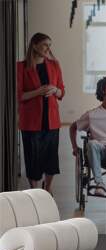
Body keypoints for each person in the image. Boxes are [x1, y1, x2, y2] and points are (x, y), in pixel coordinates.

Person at [17, 33, 65, 195]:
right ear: (35, 45)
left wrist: (55, 90)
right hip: (30, 121)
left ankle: (48, 187)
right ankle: (34, 191)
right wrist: (39, 91)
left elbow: (61, 92)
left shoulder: (54, 65)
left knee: (51, 157)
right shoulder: (21, 67)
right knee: (32, 157)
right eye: (45, 45)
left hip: (51, 119)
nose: (48, 49)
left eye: (49, 45)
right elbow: (19, 96)